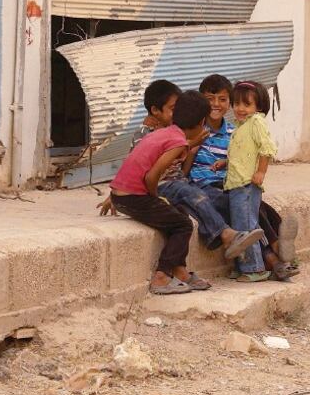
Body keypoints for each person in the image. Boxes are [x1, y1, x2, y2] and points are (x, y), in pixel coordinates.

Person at [99, 82, 264, 273]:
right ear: (202, 121)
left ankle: (264, 250)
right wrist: (153, 198)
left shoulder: (172, 134)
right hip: (158, 187)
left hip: (169, 184)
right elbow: (150, 174)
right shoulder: (169, 138)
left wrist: (192, 148)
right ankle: (225, 236)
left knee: (204, 202)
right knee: (194, 201)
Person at [191, 74, 299, 280]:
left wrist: (257, 171)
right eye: (209, 99)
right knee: (245, 210)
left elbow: (255, 152)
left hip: (232, 183)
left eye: (222, 99)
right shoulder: (194, 129)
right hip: (211, 186)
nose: (216, 104)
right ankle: (276, 255)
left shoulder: (237, 129)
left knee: (252, 208)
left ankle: (272, 258)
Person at [223, 81, 279, 283]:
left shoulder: (256, 122)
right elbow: (242, 153)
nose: (240, 109)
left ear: (258, 107)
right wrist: (225, 162)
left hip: (247, 185)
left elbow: (266, 149)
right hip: (236, 185)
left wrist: (261, 172)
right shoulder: (240, 127)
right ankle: (244, 265)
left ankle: (254, 268)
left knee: (246, 227)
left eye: (246, 105)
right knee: (242, 227)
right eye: (236, 103)